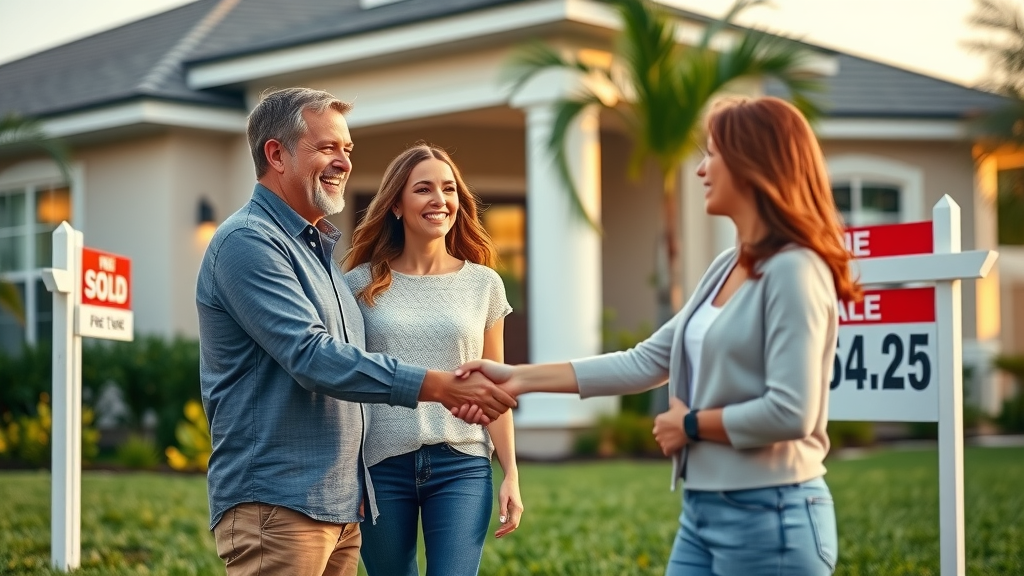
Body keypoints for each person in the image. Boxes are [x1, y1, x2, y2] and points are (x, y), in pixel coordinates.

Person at [456, 96, 859, 576]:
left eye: (713, 155)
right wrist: (518, 378)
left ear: (752, 165)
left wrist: (691, 425)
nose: (701, 169)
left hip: (771, 516)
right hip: (702, 511)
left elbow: (792, 412)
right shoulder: (726, 266)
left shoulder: (795, 270)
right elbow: (645, 361)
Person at [195, 87, 515, 576]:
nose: (343, 162)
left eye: (347, 149)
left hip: (337, 506)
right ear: (276, 155)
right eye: (327, 147)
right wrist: (437, 386)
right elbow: (312, 356)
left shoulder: (315, 253)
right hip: (280, 501)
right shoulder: (249, 242)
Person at [343, 142, 523, 576]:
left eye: (449, 189)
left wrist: (511, 474)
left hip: (461, 463)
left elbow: (493, 388)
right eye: (423, 189)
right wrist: (347, 472)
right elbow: (345, 384)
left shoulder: (484, 285)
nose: (439, 199)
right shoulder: (358, 285)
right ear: (396, 205)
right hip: (380, 465)